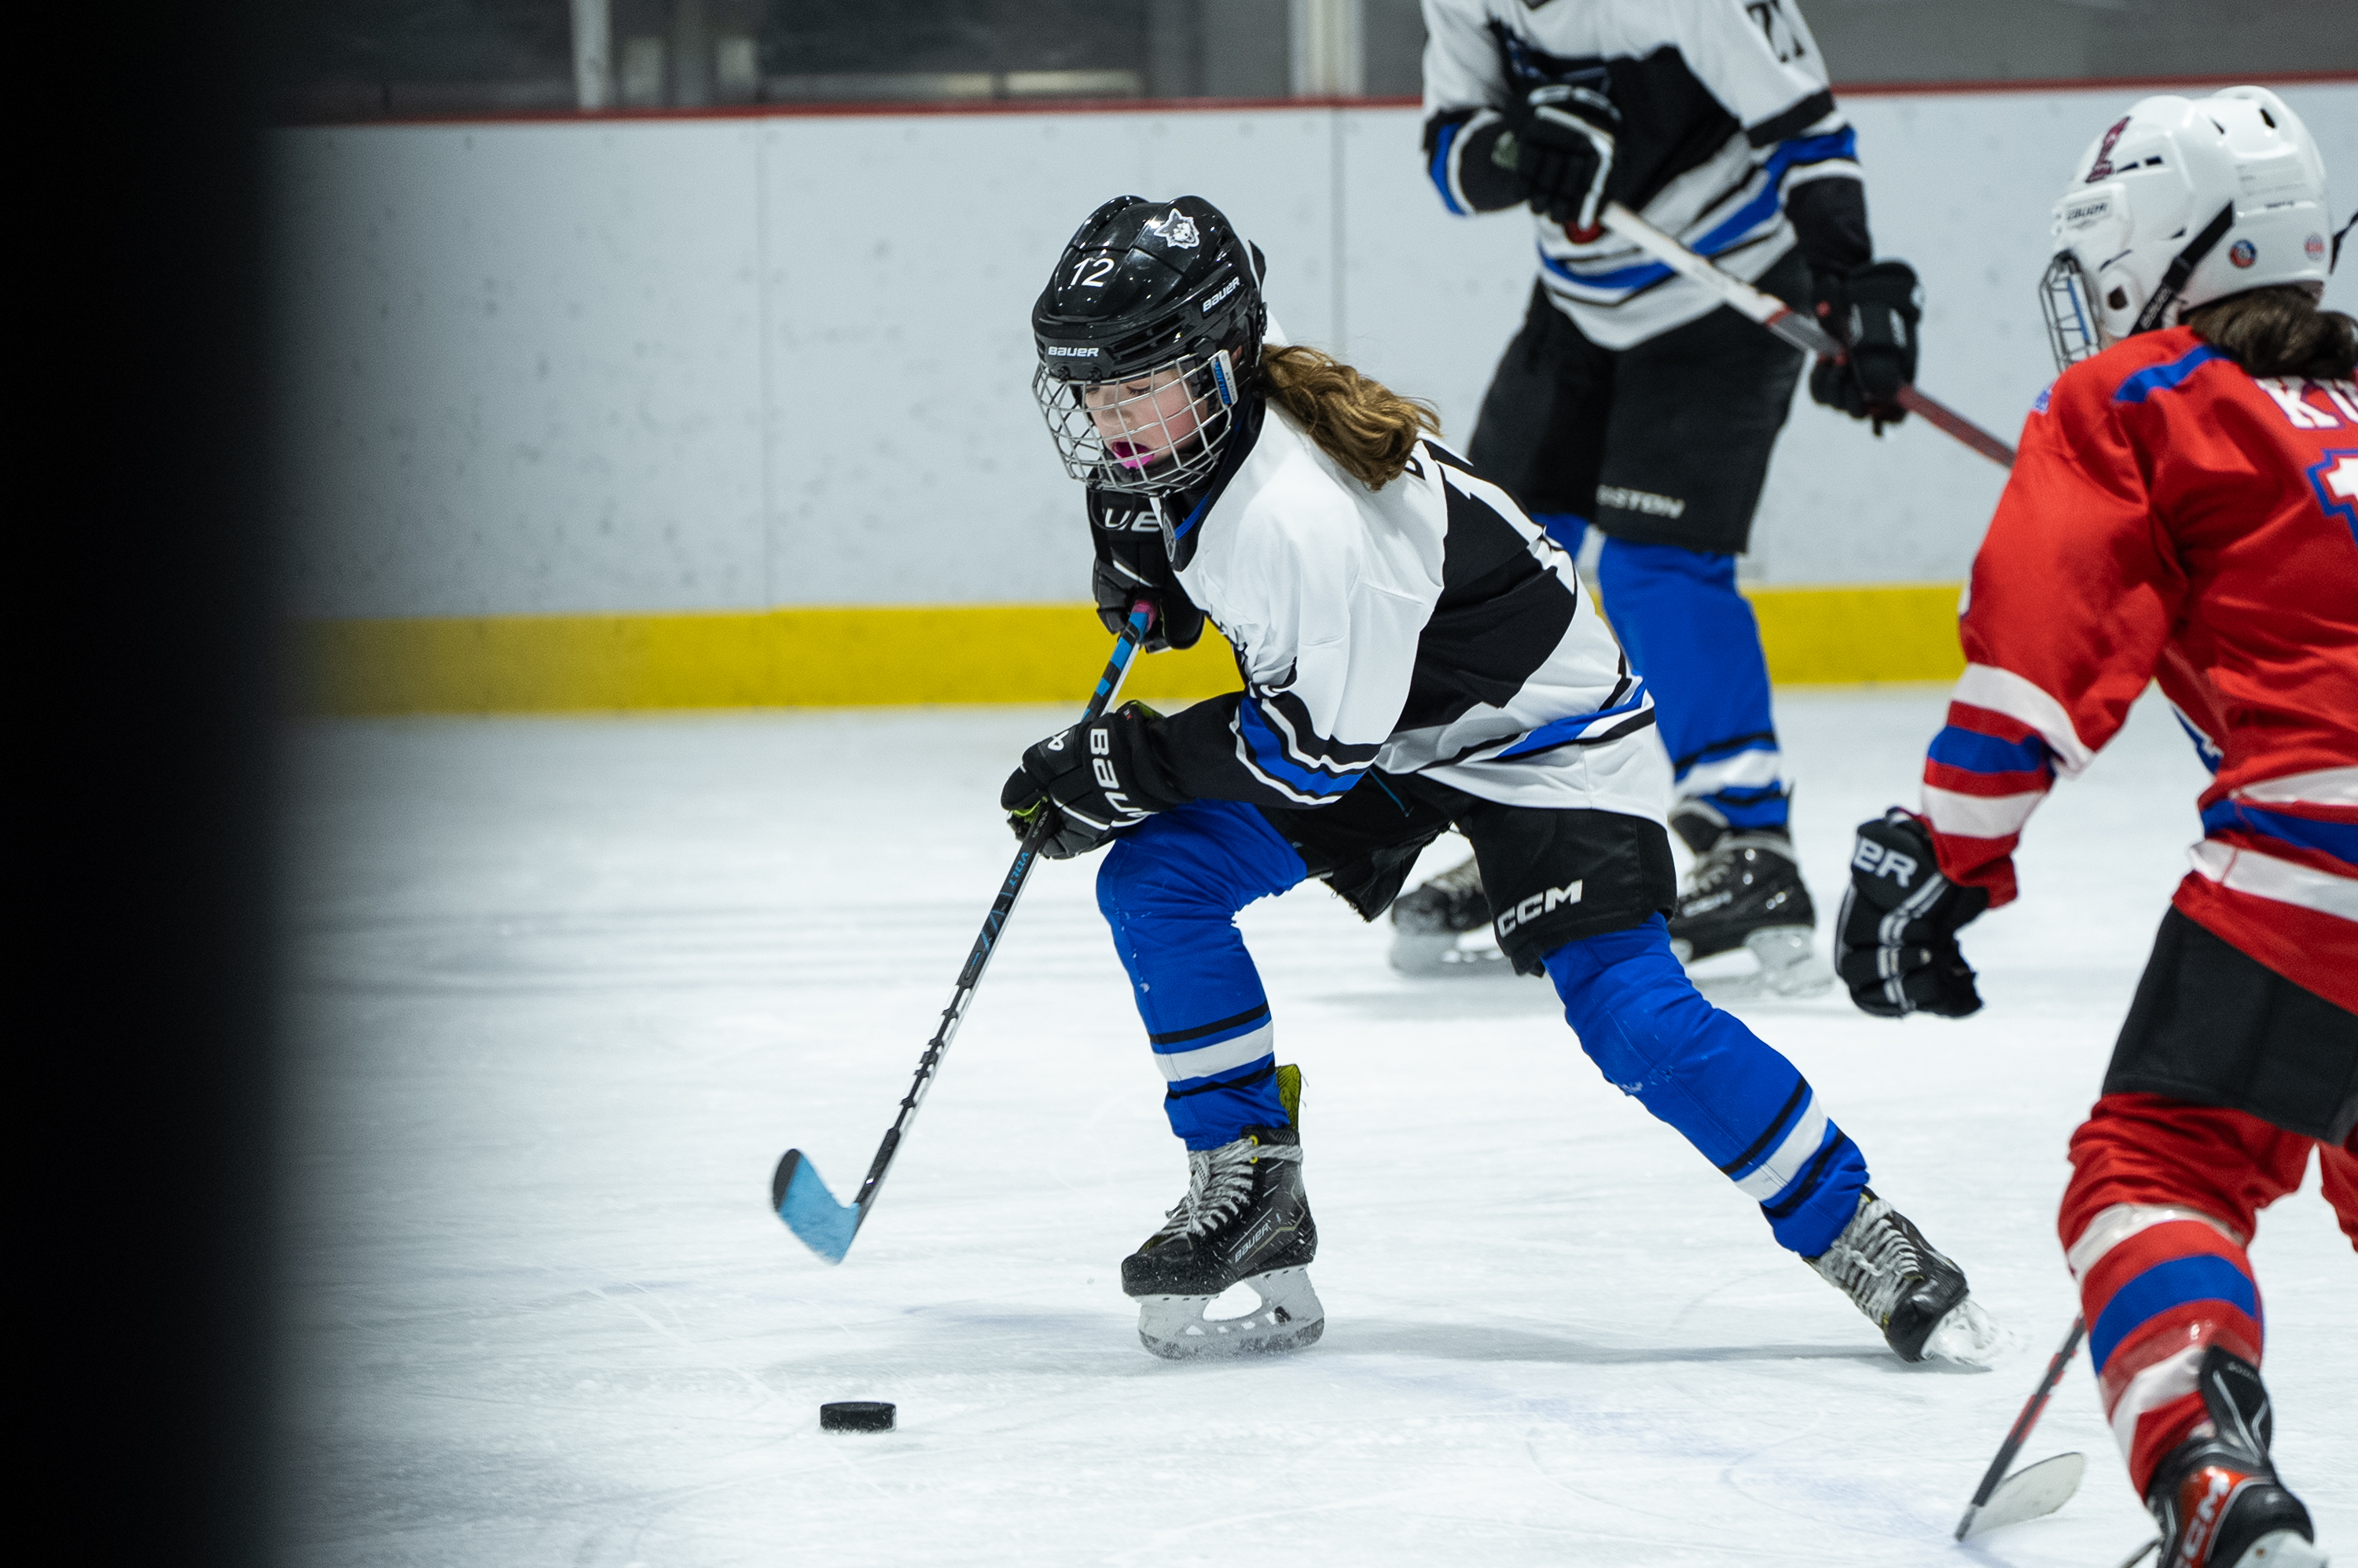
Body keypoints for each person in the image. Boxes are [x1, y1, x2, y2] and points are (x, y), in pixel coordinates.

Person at [1005, 192, 1997, 1368]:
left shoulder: (1296, 514)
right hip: (1395, 725)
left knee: (1630, 1014)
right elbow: (1316, 695)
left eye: (1134, 386)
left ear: (1219, 358)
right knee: (1157, 885)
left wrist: (1129, 763)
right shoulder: (1205, 426)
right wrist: (1149, 558)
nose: (1108, 419)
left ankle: (1858, 1229)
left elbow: (1309, 757)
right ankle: (1248, 1177)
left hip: (1542, 740)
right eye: (1091, 391)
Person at [1835, 87, 2353, 1568]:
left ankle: (2211, 1487)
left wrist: (1941, 852)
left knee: (2159, 1166)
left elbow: (2037, 663)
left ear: (2155, 248)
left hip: (2319, 863)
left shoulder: (2137, 398)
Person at [1395, 0, 1923, 990]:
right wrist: (1520, 152)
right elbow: (1451, 158)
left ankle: (1750, 844)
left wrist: (1848, 282)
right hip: (1577, 305)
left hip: (1726, 297)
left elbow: (1805, 130)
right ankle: (1533, 827)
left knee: (1656, 572)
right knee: (1489, 566)